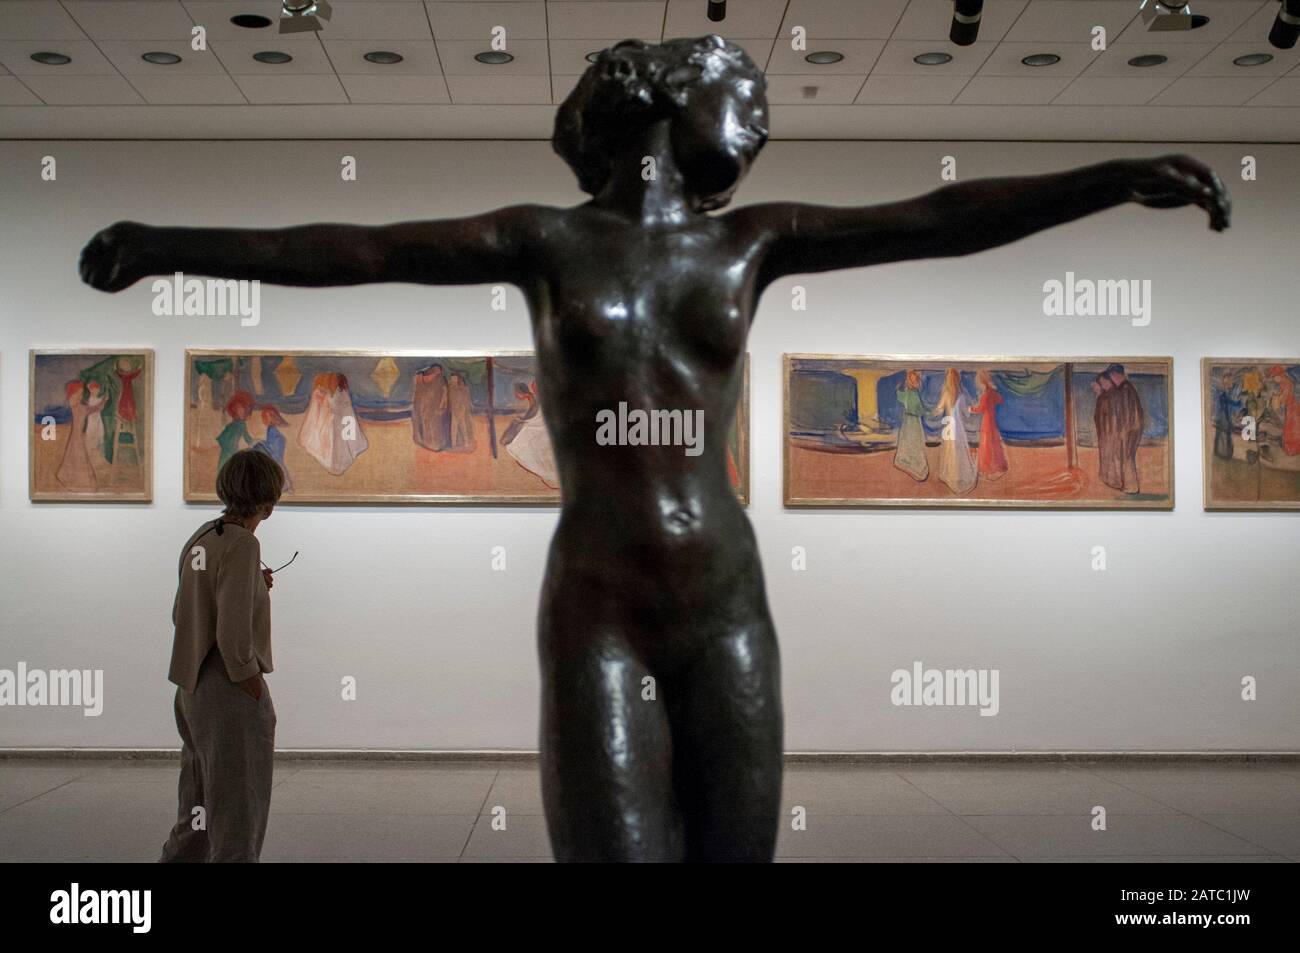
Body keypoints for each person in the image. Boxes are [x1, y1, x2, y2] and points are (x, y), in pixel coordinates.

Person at [79, 34, 1230, 861]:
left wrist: (1107, 179)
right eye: (742, 92)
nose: (760, 118)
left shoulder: (753, 242)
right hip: (599, 604)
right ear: (670, 108)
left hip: (724, 597)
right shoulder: (541, 242)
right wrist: (170, 244)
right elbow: (354, 246)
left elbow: (934, 220)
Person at [160, 449, 283, 862]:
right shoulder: (244, 544)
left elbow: (181, 611)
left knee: (195, 816)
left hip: (191, 689)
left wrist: (253, 586)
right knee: (237, 817)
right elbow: (232, 636)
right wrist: (252, 686)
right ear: (269, 499)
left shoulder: (202, 535)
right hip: (229, 694)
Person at [935, 368, 976, 494]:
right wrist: (972, 408)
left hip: (947, 424)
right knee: (958, 450)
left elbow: (939, 410)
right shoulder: (961, 396)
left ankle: (949, 474)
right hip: (957, 426)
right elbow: (966, 414)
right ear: (957, 380)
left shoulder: (946, 394)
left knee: (949, 450)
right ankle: (958, 474)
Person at [1107, 364, 1145, 494]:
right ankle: (1128, 484)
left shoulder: (1126, 388)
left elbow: (1129, 413)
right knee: (1125, 456)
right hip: (1129, 428)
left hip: (1130, 429)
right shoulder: (1124, 388)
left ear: (1118, 374)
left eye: (1113, 376)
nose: (1112, 379)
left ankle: (1131, 487)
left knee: (1127, 456)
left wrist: (1123, 430)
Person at [55, 380, 96, 491]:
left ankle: (76, 479)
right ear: (74, 393)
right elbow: (88, 409)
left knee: (75, 456)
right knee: (76, 456)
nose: (81, 395)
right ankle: (80, 481)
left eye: (82, 393)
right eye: (80, 392)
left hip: (77, 436)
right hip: (76, 436)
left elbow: (92, 409)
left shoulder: (79, 406)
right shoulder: (75, 406)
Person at [969, 369, 1007, 481]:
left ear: (981, 382)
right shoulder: (992, 392)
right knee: (994, 443)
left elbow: (979, 409)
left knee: (986, 445)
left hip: (986, 421)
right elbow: (1000, 400)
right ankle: (997, 466)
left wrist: (969, 408)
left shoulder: (985, 394)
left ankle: (987, 469)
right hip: (993, 422)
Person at [893, 369, 929, 481]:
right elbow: (917, 409)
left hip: (907, 421)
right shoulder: (913, 393)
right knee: (914, 442)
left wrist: (899, 389)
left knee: (907, 441)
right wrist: (926, 411)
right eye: (916, 380)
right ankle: (914, 466)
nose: (917, 383)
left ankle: (905, 461)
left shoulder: (906, 392)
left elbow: (899, 396)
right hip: (914, 422)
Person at [411, 363, 451, 451]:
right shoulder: (421, 381)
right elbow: (418, 397)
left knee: (435, 426)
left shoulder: (440, 380)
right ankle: (427, 442)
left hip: (434, 409)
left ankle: (436, 444)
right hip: (425, 408)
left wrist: (442, 406)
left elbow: (444, 395)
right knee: (426, 425)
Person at [447, 371, 476, 452]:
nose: (453, 380)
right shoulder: (451, 388)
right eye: (452, 378)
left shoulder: (463, 388)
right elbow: (449, 400)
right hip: (454, 410)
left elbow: (467, 399)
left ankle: (466, 442)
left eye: (454, 378)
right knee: (454, 427)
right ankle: (454, 444)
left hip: (461, 410)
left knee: (463, 426)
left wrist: (466, 408)